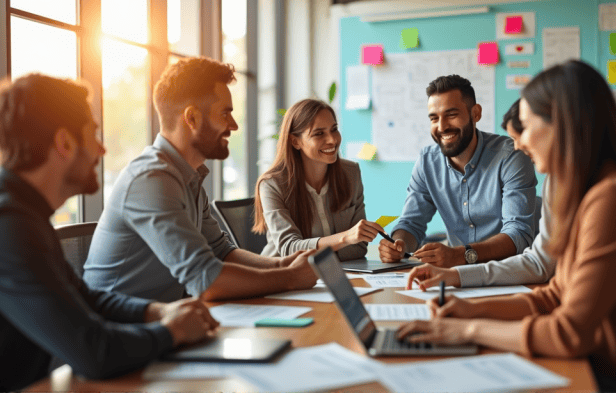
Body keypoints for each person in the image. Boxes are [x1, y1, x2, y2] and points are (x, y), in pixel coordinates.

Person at [397, 60, 616, 392]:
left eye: (526, 127)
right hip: (593, 363)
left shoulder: (614, 198)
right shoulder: (575, 187)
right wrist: (470, 308)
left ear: (562, 124)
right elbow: (555, 295)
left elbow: (568, 334)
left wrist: (467, 329)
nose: (518, 143)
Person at [0, 74, 219, 391]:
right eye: (94, 135)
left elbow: (84, 297)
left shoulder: (23, 214)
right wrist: (174, 332)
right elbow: (93, 352)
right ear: (64, 143)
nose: (101, 150)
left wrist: (156, 311)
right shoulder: (10, 226)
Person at [83, 57, 317, 302]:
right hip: (122, 330)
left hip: (168, 321)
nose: (234, 125)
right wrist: (290, 278)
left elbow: (222, 252)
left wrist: (281, 265)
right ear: (191, 118)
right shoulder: (151, 179)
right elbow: (206, 280)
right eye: (225, 113)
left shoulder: (188, 176)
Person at [378, 74, 537, 268]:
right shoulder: (427, 162)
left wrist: (460, 255)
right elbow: (411, 224)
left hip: (510, 271)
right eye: (434, 118)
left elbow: (518, 234)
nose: (442, 127)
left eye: (451, 115)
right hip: (457, 274)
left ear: (475, 113)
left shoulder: (511, 156)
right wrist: (398, 245)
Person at [406, 99, 556, 289]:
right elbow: (538, 266)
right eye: (434, 118)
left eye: (524, 131)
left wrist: (459, 263)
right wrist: (455, 276)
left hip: (523, 281)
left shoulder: (510, 157)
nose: (518, 147)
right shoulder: (554, 184)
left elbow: (528, 250)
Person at [254, 99, 382, 261]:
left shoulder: (351, 174)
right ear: (295, 141)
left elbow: (358, 247)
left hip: (336, 273)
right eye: (319, 133)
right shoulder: (272, 184)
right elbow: (289, 249)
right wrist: (345, 238)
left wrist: (346, 242)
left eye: (334, 129)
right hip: (282, 276)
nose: (332, 140)